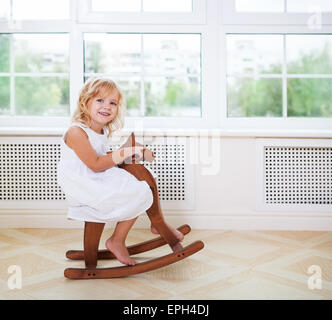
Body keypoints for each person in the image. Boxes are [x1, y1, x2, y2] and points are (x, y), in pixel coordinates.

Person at [57, 77, 183, 266]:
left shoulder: (100, 131)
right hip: (84, 183)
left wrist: (130, 152)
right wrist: (124, 152)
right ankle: (151, 227)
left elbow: (100, 156)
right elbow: (95, 164)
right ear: (86, 101)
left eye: (112, 103)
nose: (106, 106)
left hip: (96, 177)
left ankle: (120, 238)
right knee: (133, 189)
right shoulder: (77, 132)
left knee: (140, 185)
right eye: (100, 100)